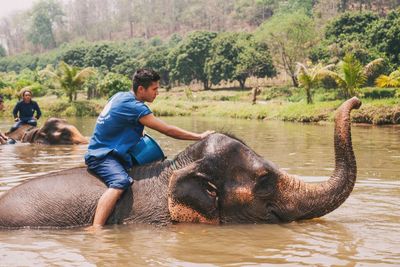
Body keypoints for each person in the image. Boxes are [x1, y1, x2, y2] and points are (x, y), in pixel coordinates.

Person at [85, 69, 214, 229]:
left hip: (106, 149)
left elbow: (119, 123)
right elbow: (168, 130)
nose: (157, 93)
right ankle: (96, 228)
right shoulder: (135, 107)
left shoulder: (120, 96)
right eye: (154, 89)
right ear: (141, 89)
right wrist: (200, 137)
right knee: (120, 182)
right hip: (102, 156)